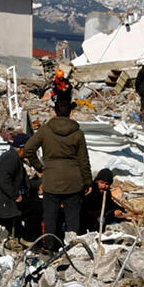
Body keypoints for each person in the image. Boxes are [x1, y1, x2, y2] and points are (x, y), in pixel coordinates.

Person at [27, 98, 92, 247]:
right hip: (73, 181)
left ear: (54, 112)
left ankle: (49, 246)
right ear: (71, 112)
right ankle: (72, 247)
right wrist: (87, 181)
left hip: (51, 179)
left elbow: (29, 149)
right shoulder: (78, 133)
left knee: (50, 215)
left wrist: (40, 168)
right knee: (72, 218)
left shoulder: (45, 130)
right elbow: (84, 160)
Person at [0, 132, 31, 236]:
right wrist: (15, 195)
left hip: (5, 202)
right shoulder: (10, 158)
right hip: (2, 203)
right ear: (21, 149)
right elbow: (4, 180)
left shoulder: (15, 158)